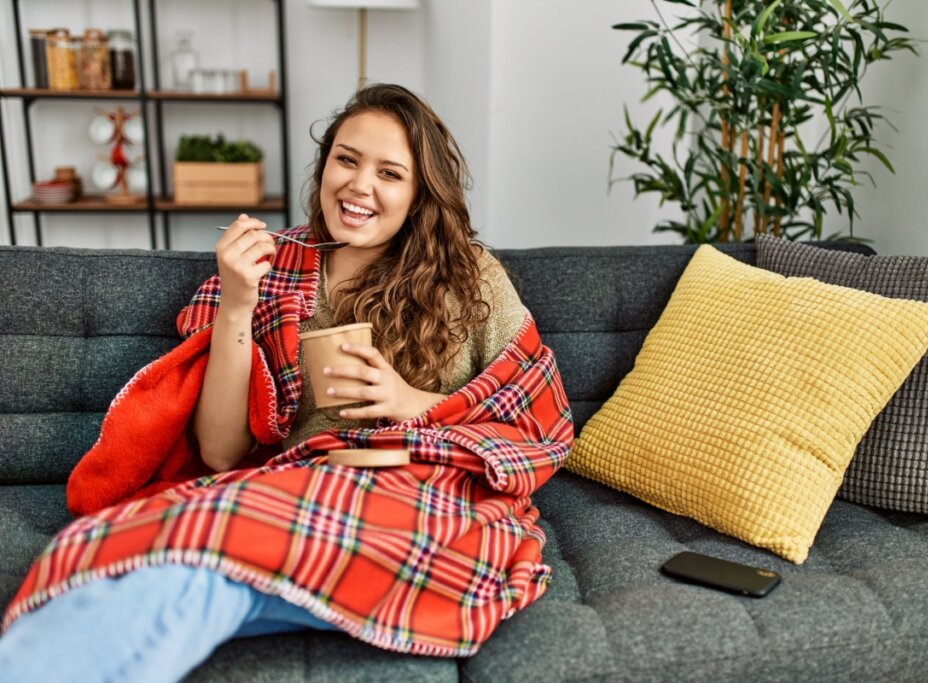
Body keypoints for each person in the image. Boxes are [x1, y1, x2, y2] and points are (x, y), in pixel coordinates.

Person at [0, 84, 556, 683]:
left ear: (420, 193)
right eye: (346, 159)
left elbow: (535, 417)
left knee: (186, 568)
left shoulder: (469, 279)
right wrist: (237, 302)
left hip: (420, 497)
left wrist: (411, 402)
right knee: (159, 573)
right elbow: (221, 452)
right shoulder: (278, 263)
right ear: (324, 166)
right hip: (296, 493)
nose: (359, 185)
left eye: (390, 173)